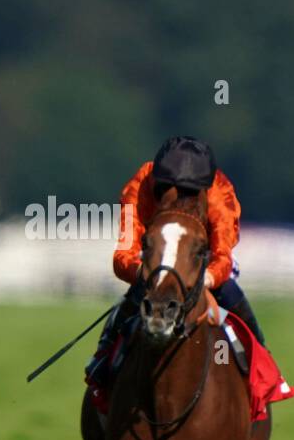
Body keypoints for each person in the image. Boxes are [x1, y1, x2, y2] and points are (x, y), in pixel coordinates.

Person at [85, 136, 265, 396]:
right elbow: (123, 254)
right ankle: (102, 360)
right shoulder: (138, 187)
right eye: (165, 189)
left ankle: (261, 362)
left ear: (203, 190)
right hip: (155, 264)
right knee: (130, 303)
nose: (176, 197)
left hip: (200, 262)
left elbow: (223, 255)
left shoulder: (219, 191)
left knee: (231, 294)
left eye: (189, 193)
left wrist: (206, 279)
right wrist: (145, 275)